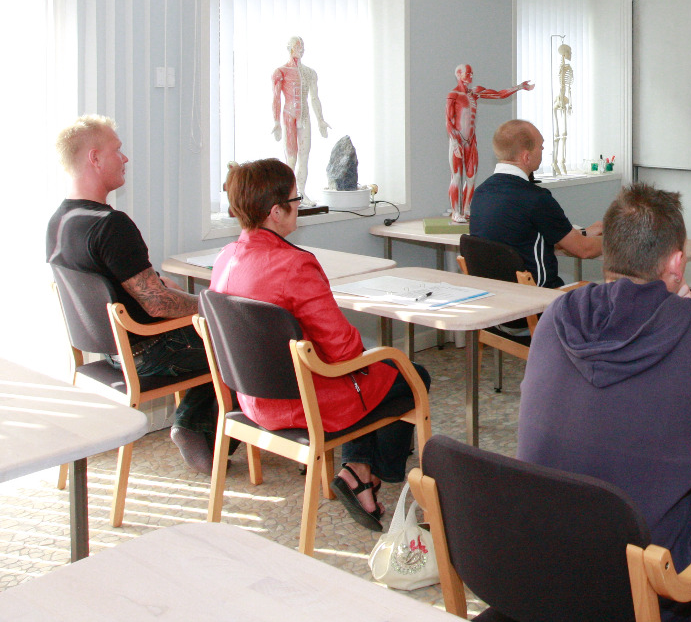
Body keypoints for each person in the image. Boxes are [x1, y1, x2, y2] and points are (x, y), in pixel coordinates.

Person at [518, 183, 691, 622]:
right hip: (649, 588)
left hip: (546, 570)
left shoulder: (555, 317)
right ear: (677, 263)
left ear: (606, 255)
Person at [210, 158, 431, 532]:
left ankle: (360, 471)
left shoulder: (225, 258)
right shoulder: (295, 265)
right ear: (276, 211)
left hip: (251, 398)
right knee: (411, 374)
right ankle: (372, 474)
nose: (300, 205)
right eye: (296, 199)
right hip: (304, 403)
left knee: (379, 374)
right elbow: (343, 350)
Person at [47, 115, 218, 474]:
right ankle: (191, 424)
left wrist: (156, 282)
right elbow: (156, 304)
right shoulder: (110, 224)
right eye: (117, 150)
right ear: (94, 158)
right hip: (145, 352)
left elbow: (117, 282)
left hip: (107, 350)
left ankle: (202, 430)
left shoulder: (61, 222)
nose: (124, 158)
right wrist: (213, 306)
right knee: (238, 341)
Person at [470, 119, 602, 288]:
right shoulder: (536, 199)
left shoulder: (481, 193)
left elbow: (524, 239)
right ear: (526, 156)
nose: (543, 150)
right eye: (540, 146)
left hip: (499, 298)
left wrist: (583, 232)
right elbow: (584, 250)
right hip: (540, 301)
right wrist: (617, 240)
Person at [446, 64, 533, 223]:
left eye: (472, 73)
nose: (470, 76)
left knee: (471, 177)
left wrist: (520, 87)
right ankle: (455, 212)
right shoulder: (453, 95)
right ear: (458, 74)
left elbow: (499, 95)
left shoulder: (475, 92)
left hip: (471, 141)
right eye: (467, 73)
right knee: (457, 177)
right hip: (457, 140)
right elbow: (449, 121)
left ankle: (466, 210)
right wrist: (455, 141)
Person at [271, 36, 331, 201]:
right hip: (289, 115)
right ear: (290, 48)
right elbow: (276, 98)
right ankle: (288, 194)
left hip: (304, 117)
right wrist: (276, 122)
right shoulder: (281, 72)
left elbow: (314, 98)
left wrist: (321, 120)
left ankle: (302, 193)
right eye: (298, 47)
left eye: (303, 46)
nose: (302, 49)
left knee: (305, 155)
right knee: (291, 156)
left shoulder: (310, 73)